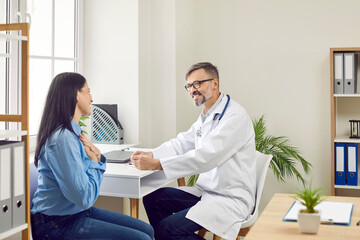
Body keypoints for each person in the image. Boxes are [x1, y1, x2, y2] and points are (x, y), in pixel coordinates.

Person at [131, 62, 256, 240]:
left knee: (168, 229)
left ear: (215, 83)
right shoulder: (206, 115)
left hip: (229, 198)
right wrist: (152, 154)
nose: (192, 90)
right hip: (207, 193)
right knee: (153, 198)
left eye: (198, 83)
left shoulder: (235, 117)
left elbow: (206, 158)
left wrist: (157, 164)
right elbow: (182, 143)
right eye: (189, 86)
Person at [31, 72, 154, 240]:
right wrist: (95, 162)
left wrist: (96, 158)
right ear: (75, 94)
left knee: (147, 230)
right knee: (142, 238)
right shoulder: (62, 139)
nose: (91, 98)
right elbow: (84, 198)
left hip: (75, 213)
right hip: (56, 224)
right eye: (88, 91)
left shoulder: (74, 133)